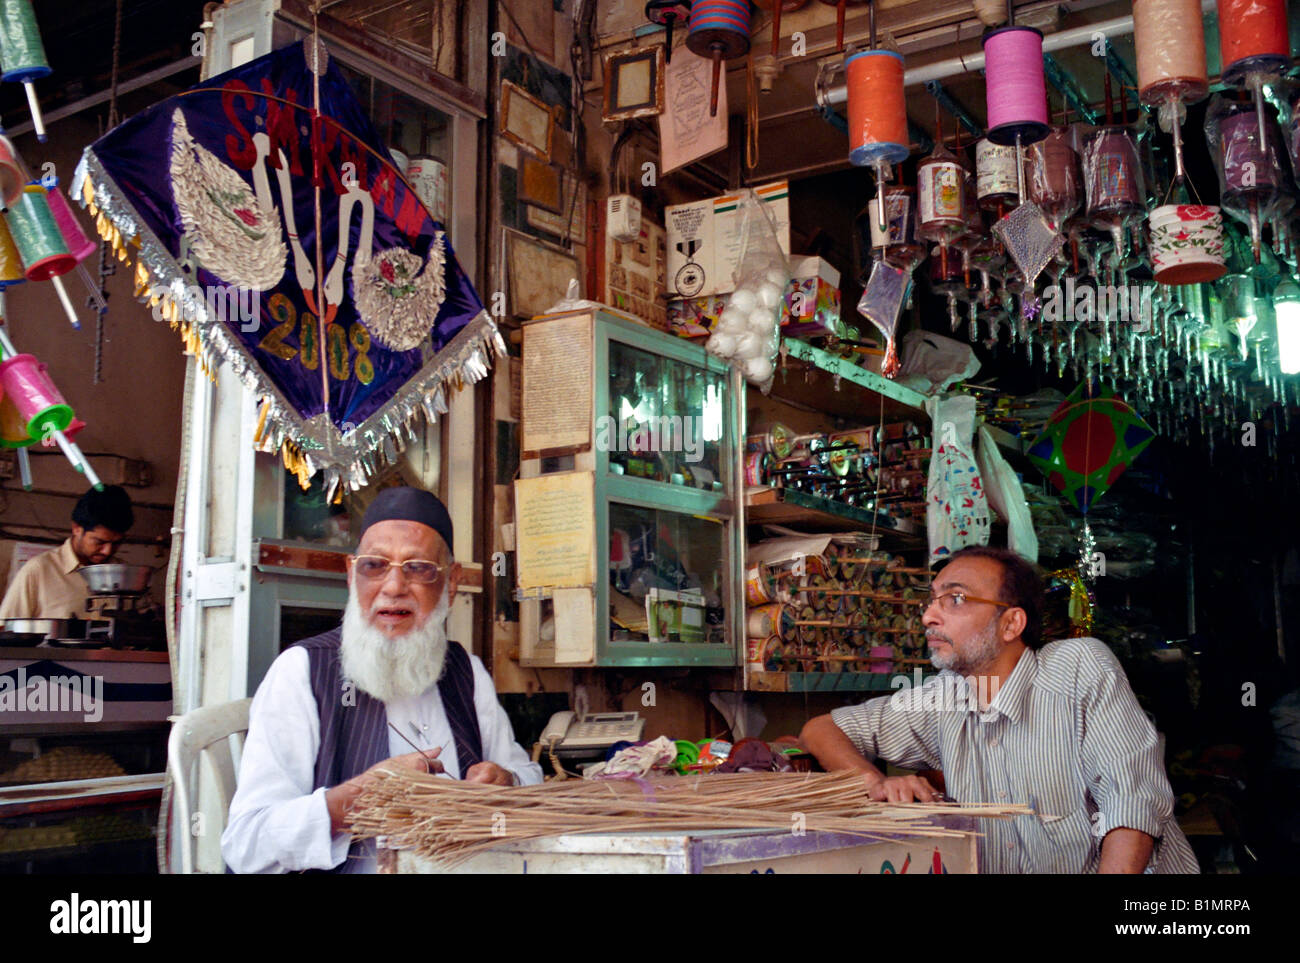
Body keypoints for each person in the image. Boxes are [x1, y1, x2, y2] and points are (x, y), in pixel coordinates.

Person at [800, 545, 1199, 874]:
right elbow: (820, 729)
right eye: (932, 599)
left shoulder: (1077, 667)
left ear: (1011, 624)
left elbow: (1132, 802)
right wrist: (875, 783)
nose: (928, 616)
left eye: (955, 599)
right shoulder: (945, 697)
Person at [222, 486, 542, 873]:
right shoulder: (302, 672)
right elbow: (246, 844)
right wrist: (361, 798)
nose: (393, 587)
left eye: (419, 568)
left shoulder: (466, 672)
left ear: (451, 582)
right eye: (374, 566)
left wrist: (505, 781)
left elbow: (530, 779)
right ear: (351, 574)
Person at [0, 485, 134, 620]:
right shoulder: (39, 571)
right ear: (76, 528)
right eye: (99, 542)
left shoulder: (124, 574)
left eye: (116, 543)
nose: (107, 551)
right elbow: (6, 631)